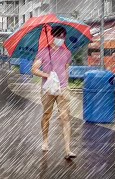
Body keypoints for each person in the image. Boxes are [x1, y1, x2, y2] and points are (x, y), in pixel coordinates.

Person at [31, 26, 76, 160]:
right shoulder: (44, 52)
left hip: (62, 89)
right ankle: (45, 140)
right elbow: (34, 69)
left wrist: (66, 83)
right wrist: (47, 74)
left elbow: (66, 69)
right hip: (48, 89)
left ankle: (68, 149)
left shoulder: (67, 53)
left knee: (65, 117)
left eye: (63, 37)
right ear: (53, 36)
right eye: (59, 37)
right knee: (46, 115)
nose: (61, 40)